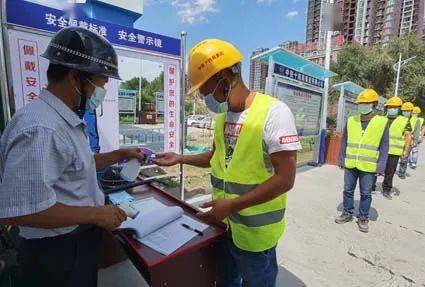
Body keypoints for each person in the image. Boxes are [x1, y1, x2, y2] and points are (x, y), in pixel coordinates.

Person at [0, 27, 145, 287]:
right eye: (99, 84)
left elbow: (77, 164)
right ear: (74, 77)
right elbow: (18, 211)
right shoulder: (41, 128)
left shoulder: (63, 119)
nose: (100, 93)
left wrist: (118, 155)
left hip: (75, 244)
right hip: (54, 254)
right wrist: (96, 215)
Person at [155, 39, 301, 287]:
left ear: (224, 76)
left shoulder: (274, 113)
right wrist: (180, 158)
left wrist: (233, 205)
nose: (202, 95)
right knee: (225, 282)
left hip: (255, 234)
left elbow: (285, 178)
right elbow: (213, 158)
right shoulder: (223, 119)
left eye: (204, 87)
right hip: (224, 225)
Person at [335, 88, 389, 233]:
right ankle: (347, 212)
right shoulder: (351, 120)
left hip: (368, 166)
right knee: (347, 190)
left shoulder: (382, 122)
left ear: (374, 104)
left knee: (366, 193)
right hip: (351, 163)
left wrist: (381, 167)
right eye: (360, 103)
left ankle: (363, 217)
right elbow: (344, 141)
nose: (362, 106)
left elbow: (384, 146)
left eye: (366, 103)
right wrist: (341, 159)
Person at [380, 97, 412, 199]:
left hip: (394, 151)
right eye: (390, 107)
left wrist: (406, 151)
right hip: (380, 150)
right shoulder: (381, 119)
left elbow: (408, 136)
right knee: (376, 168)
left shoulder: (404, 121)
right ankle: (371, 185)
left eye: (394, 107)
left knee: (390, 172)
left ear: (399, 108)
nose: (391, 108)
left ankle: (386, 189)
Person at [397, 102, 414, 179]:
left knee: (404, 158)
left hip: (407, 141)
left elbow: (415, 132)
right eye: (405, 110)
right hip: (397, 142)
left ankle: (402, 172)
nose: (407, 112)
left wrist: (414, 141)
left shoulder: (413, 120)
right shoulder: (398, 119)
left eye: (409, 111)